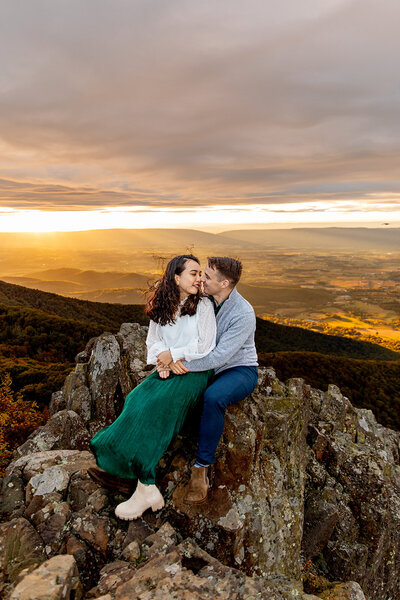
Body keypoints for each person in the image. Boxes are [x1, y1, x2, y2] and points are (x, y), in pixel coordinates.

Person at [89, 254, 216, 520]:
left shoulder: (203, 304)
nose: (200, 279)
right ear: (176, 277)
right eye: (193, 273)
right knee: (137, 399)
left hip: (195, 371)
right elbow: (153, 342)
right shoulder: (163, 305)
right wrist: (163, 361)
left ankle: (145, 484)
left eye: (200, 273)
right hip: (170, 368)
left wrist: (176, 354)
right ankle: (131, 476)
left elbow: (206, 345)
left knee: (158, 407)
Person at [157, 256, 258, 504]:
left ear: (224, 284)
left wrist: (180, 364)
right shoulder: (202, 299)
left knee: (213, 398)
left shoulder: (243, 313)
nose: (201, 279)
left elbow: (220, 356)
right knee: (166, 391)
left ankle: (201, 469)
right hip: (206, 366)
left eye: (208, 277)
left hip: (238, 369)